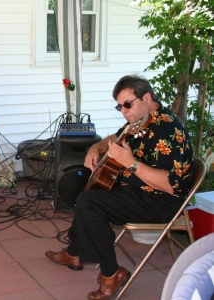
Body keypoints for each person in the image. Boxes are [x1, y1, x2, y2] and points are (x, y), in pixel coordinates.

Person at [45, 74, 194, 299]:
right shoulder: (141, 119)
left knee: (90, 202)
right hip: (135, 191)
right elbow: (116, 137)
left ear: (146, 97)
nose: (123, 111)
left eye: (127, 104)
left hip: (161, 201)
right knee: (90, 192)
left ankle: (111, 273)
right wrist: (97, 147)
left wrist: (131, 163)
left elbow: (173, 187)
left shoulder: (169, 130)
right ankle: (75, 253)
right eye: (119, 107)